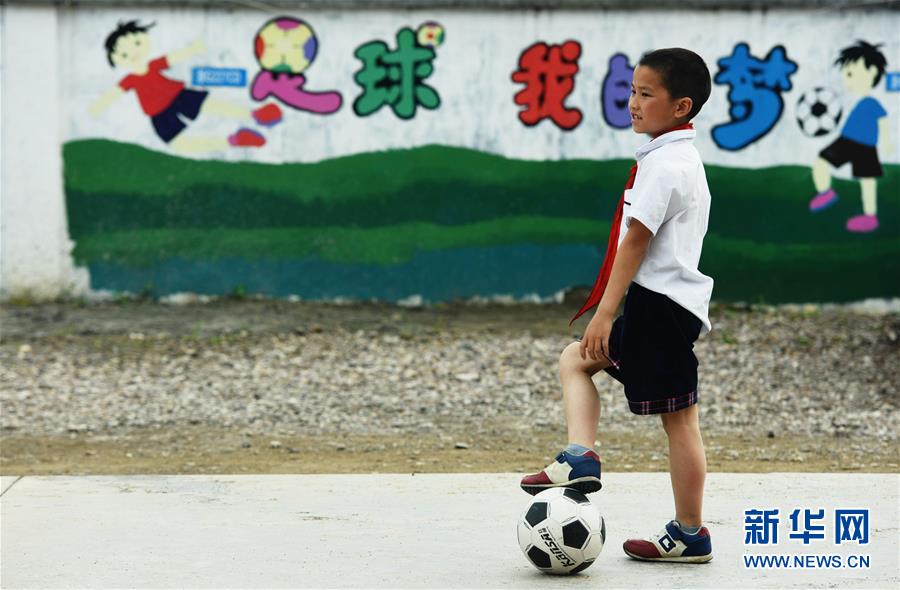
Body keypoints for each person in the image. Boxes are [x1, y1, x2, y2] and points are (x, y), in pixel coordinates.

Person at [520, 48, 715, 563]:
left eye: (646, 94)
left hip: (660, 308)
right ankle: (580, 456)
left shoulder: (666, 165)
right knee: (576, 359)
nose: (633, 102)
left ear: (681, 106)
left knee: (681, 423)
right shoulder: (675, 157)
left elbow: (635, 241)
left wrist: (605, 313)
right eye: (632, 90)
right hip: (667, 308)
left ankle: (690, 532)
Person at [90, 20, 283, 153]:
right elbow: (114, 93)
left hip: (178, 96)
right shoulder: (130, 80)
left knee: (210, 105)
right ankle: (234, 140)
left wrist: (192, 49)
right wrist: (98, 106)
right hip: (160, 115)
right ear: (115, 60)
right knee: (179, 144)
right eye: (123, 55)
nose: (132, 54)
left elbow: (172, 58)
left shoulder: (153, 65)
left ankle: (256, 115)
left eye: (137, 43)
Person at [809, 41, 891, 233]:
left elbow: (883, 120)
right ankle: (825, 192)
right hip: (846, 141)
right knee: (821, 162)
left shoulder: (871, 103)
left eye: (850, 74)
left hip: (865, 146)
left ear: (871, 72)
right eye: (845, 75)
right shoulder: (860, 102)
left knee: (867, 180)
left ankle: (870, 217)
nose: (847, 81)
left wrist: (886, 141)